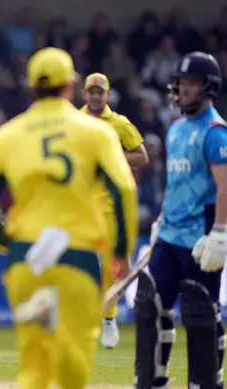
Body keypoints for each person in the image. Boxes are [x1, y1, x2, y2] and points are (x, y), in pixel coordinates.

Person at [0, 47, 139, 389]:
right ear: (71, 87)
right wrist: (120, 251)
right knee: (74, 367)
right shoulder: (96, 132)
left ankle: (46, 322)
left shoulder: (7, 135)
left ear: (30, 88)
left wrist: (5, 241)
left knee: (32, 366)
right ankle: (58, 337)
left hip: (27, 257)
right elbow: (123, 191)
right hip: (77, 254)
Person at [130, 52, 227, 389]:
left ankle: (204, 386)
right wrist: (161, 219)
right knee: (149, 304)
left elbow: (226, 187)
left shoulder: (216, 133)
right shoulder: (175, 129)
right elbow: (175, 185)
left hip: (202, 237)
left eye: (190, 84)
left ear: (208, 88)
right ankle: (149, 383)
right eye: (181, 83)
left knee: (200, 312)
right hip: (170, 234)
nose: (183, 90)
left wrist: (220, 231)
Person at [81, 72, 148, 349]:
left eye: (101, 92)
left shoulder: (119, 123)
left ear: (108, 96)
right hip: (80, 202)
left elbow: (142, 156)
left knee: (112, 264)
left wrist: (111, 157)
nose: (96, 96)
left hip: (108, 203)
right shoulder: (76, 120)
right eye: (91, 92)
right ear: (84, 94)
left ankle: (108, 317)